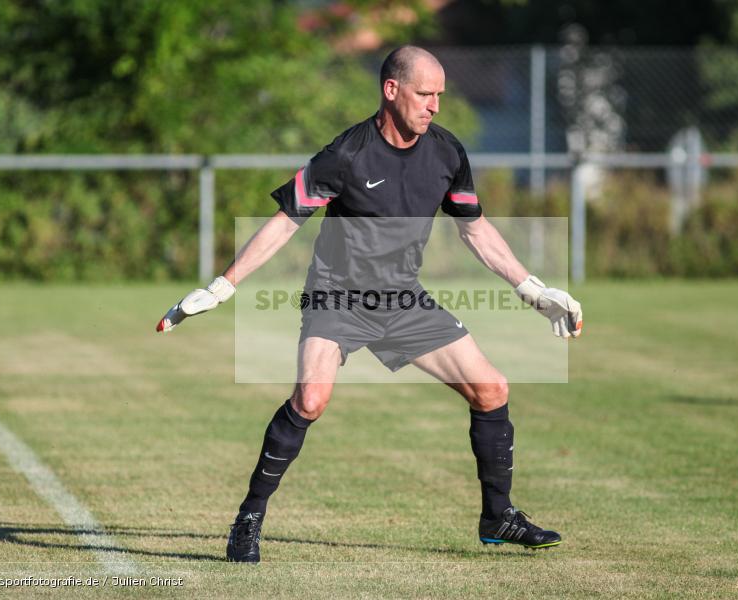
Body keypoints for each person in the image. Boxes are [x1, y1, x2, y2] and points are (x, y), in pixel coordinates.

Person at [156, 46, 583, 564]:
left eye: (440, 95)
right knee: (310, 400)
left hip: (402, 297)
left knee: (491, 389)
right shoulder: (346, 154)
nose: (434, 106)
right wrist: (223, 285)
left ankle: (498, 517)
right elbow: (286, 223)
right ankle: (249, 518)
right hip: (337, 296)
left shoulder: (447, 152)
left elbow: (475, 229)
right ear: (391, 90)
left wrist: (532, 289)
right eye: (424, 94)